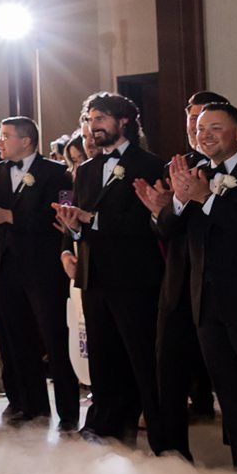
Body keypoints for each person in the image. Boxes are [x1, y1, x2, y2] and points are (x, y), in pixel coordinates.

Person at [140, 101, 237, 474]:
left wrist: (205, 198)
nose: (204, 135)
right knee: (232, 402)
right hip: (207, 308)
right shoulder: (195, 174)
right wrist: (175, 202)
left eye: (215, 128)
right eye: (199, 129)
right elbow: (166, 232)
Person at [60, 93, 176, 453]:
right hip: (94, 276)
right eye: (90, 119)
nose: (93, 126)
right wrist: (72, 234)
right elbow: (80, 218)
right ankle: (106, 427)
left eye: (100, 119)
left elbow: (151, 223)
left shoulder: (150, 164)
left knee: (142, 359)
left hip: (135, 277)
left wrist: (92, 220)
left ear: (123, 121)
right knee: (103, 357)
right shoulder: (87, 169)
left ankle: (162, 437)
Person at [0, 115, 77, 430]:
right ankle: (32, 406)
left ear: (26, 141)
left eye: (6, 136)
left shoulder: (57, 173)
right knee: (17, 341)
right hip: (2, 267)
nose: (0, 142)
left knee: (55, 341)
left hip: (42, 269)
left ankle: (68, 413)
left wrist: (10, 215)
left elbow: (60, 221)